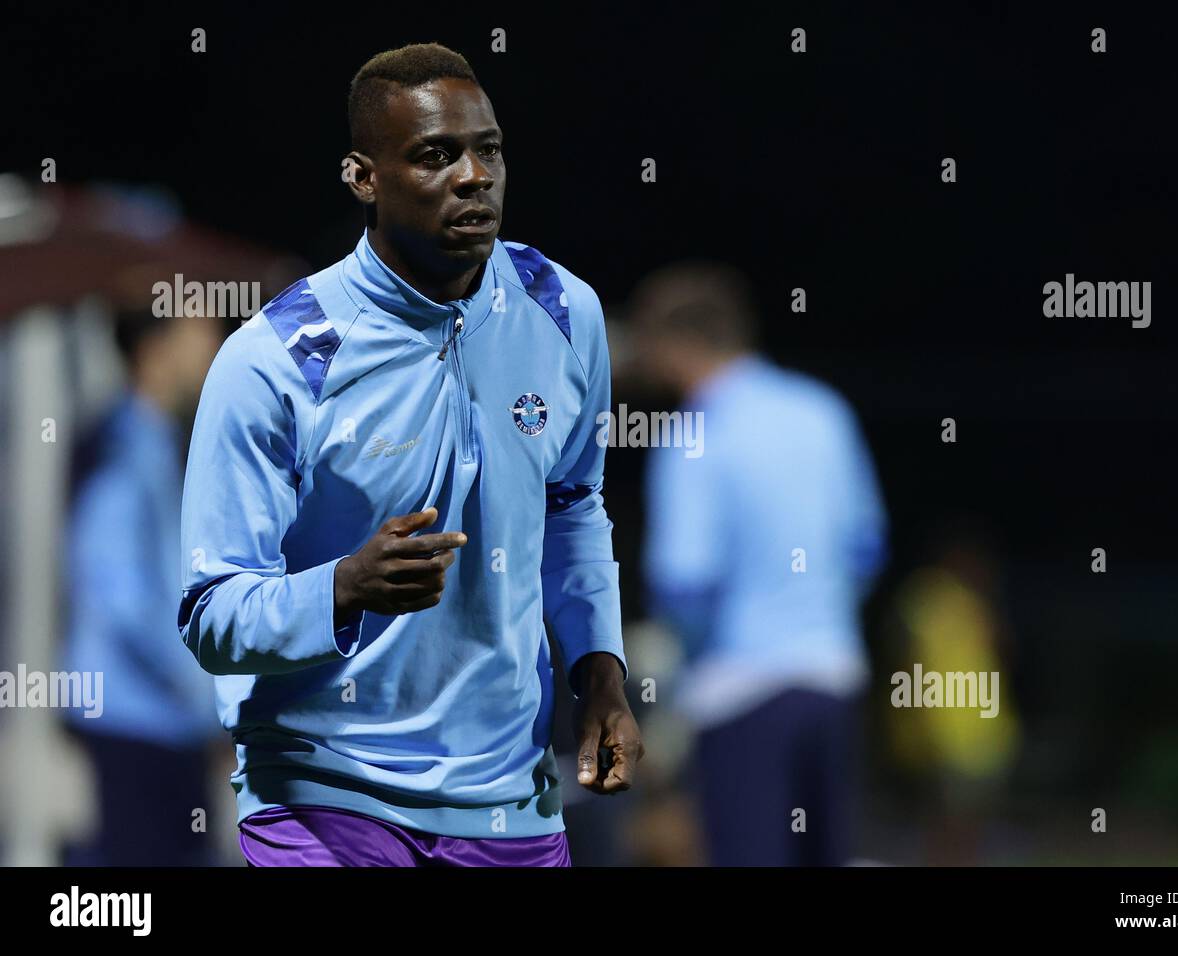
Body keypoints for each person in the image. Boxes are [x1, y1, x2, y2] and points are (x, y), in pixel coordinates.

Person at [177, 42, 642, 867]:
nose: (474, 176)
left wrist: (599, 673)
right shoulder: (277, 359)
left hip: (508, 805)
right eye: (436, 155)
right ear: (364, 177)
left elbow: (573, 508)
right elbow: (211, 613)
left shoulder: (566, 313)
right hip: (323, 798)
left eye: (488, 150)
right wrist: (343, 588)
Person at [629, 262, 888, 865]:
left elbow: (685, 585)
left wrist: (672, 673)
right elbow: (866, 549)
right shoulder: (822, 410)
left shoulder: (697, 434)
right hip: (833, 678)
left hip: (738, 691)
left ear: (675, 346)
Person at [62, 302, 226, 865]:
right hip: (135, 724)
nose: (213, 344)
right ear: (155, 349)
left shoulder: (153, 441)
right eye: (199, 327)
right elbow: (122, 596)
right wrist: (211, 693)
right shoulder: (120, 448)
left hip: (162, 725)